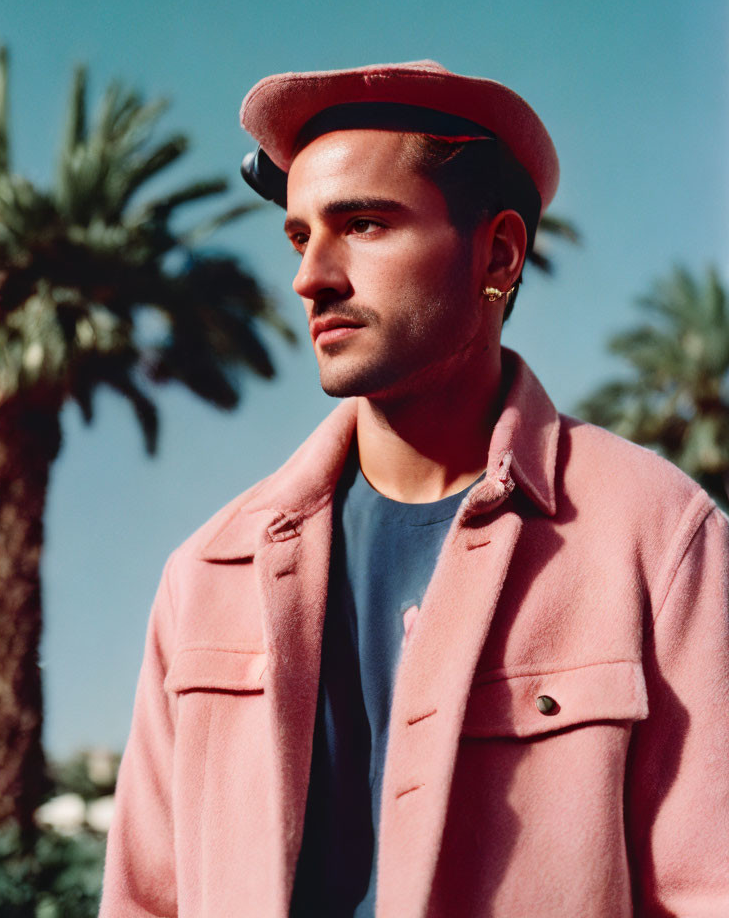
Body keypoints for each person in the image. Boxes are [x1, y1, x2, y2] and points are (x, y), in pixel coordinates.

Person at [99, 61, 729, 918]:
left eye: (362, 224)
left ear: (497, 252)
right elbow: (144, 900)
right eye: (298, 236)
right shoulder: (208, 573)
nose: (310, 277)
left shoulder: (655, 536)